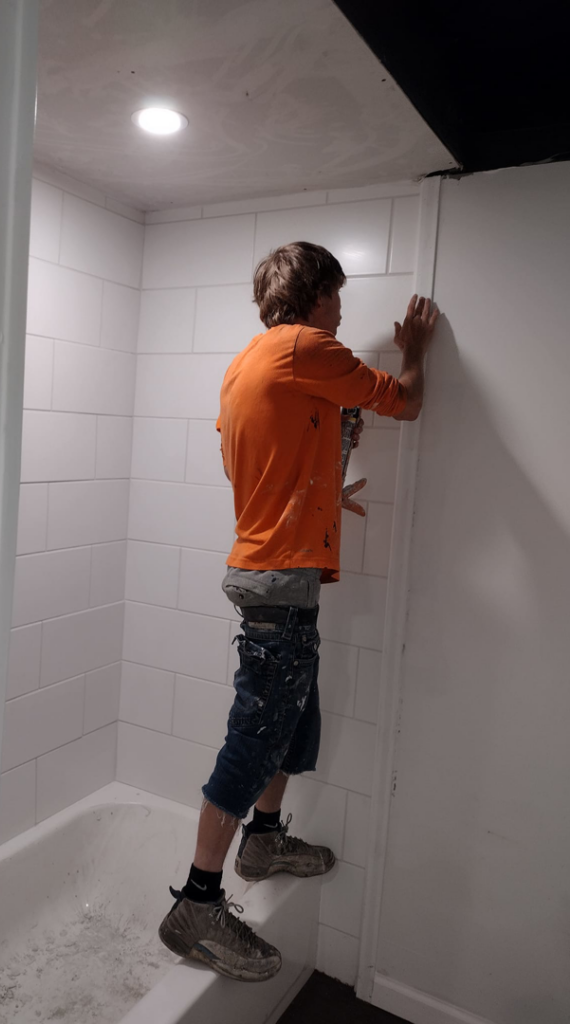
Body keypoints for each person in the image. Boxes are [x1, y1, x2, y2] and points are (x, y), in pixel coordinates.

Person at [158, 241, 440, 982]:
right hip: (278, 586)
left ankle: (266, 837)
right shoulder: (306, 347)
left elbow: (250, 462)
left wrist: (321, 494)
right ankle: (198, 901)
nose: (343, 311)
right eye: (337, 295)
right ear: (311, 294)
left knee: (293, 720)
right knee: (254, 738)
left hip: (274, 576)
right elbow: (402, 402)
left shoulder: (247, 363)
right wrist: (414, 353)